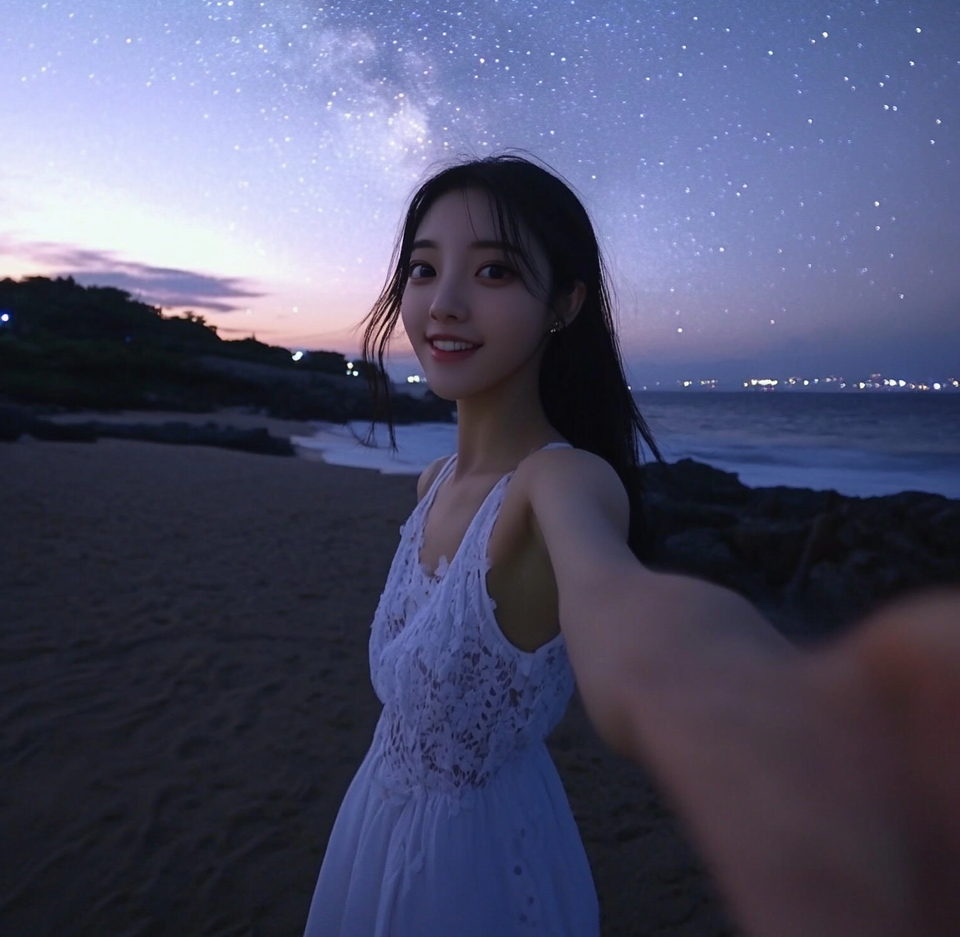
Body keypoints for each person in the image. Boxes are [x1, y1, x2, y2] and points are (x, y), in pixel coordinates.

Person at [303, 153, 960, 937]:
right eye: (422, 268)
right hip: (373, 829)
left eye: (495, 273)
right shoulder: (433, 483)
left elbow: (619, 603)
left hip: (466, 870)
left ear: (563, 305)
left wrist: (780, 713)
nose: (442, 304)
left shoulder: (563, 484)